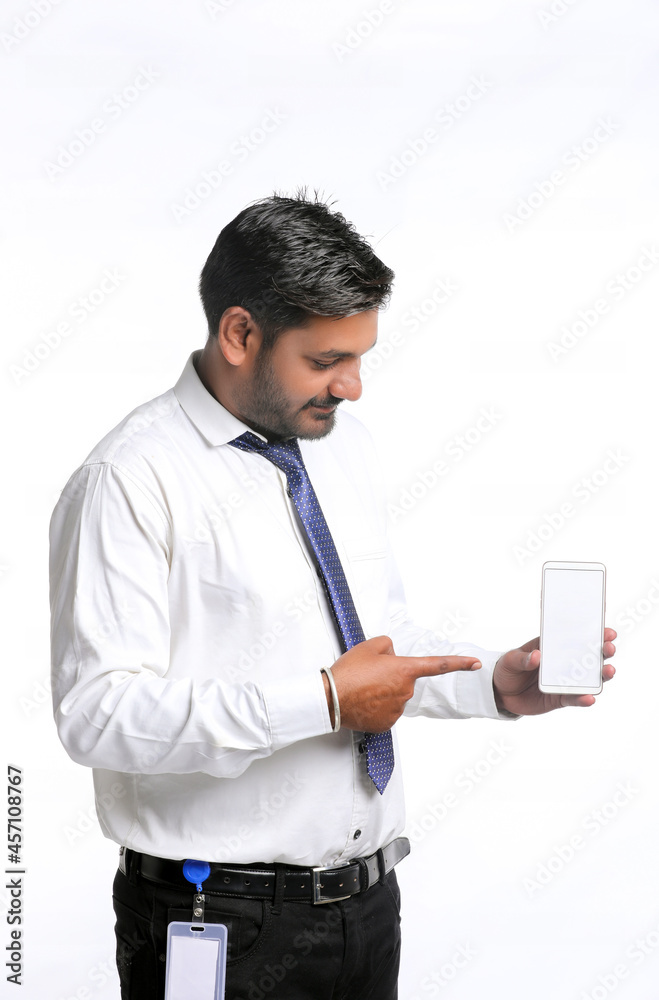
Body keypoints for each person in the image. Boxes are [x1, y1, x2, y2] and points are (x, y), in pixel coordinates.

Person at [49, 191, 616, 1000]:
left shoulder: (340, 448)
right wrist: (319, 701)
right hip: (216, 921)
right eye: (324, 361)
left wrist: (493, 681)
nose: (351, 387)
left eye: (359, 358)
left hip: (366, 909)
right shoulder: (129, 480)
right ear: (239, 333)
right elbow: (98, 714)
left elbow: (373, 638)